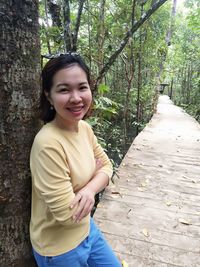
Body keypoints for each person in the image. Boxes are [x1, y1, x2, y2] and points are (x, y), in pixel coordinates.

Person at [30, 53, 121, 267]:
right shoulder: (48, 143)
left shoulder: (84, 129)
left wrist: (87, 190)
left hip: (88, 230)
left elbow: (108, 166)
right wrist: (95, 175)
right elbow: (67, 214)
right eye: (64, 89)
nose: (76, 97)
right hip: (59, 249)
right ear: (49, 96)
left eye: (82, 87)